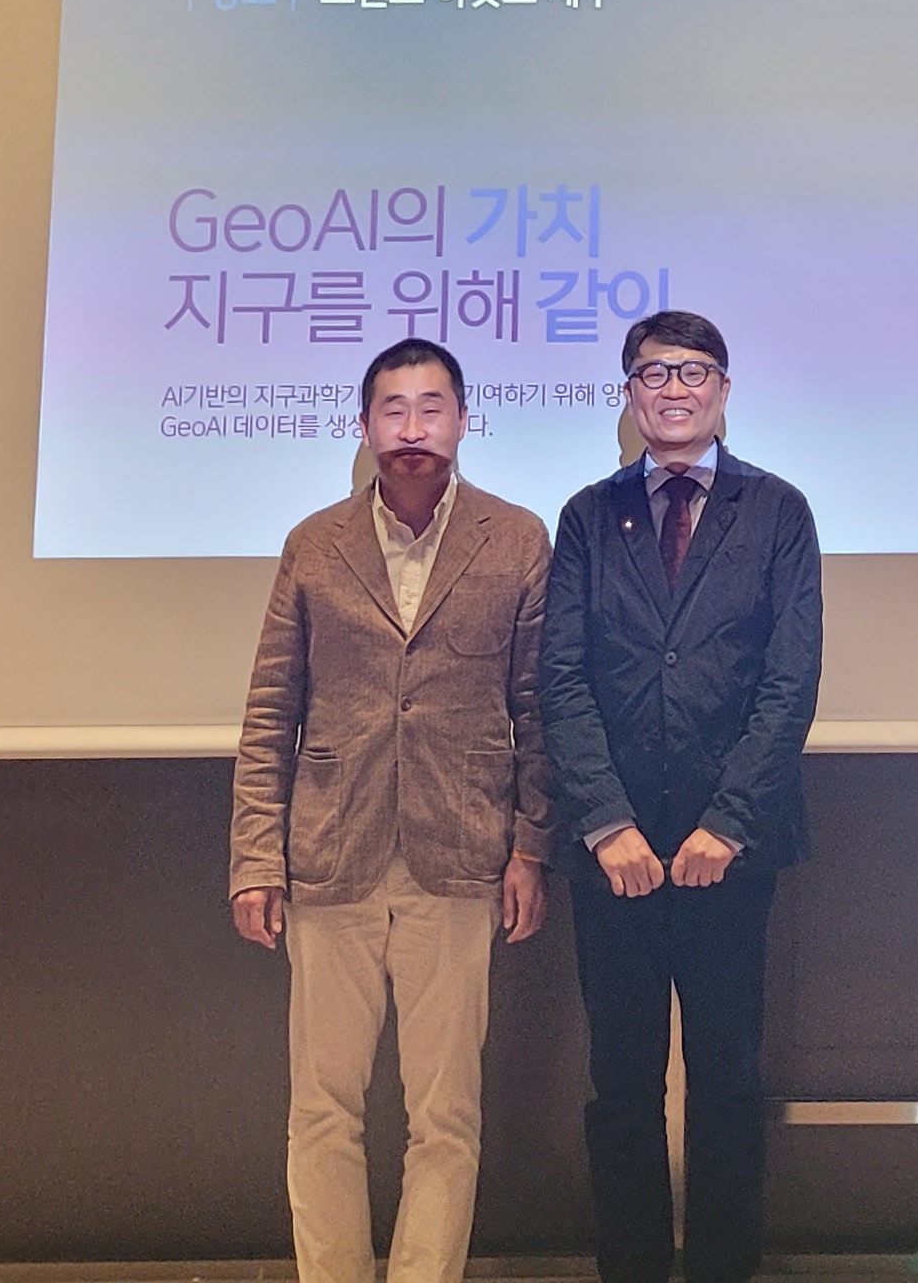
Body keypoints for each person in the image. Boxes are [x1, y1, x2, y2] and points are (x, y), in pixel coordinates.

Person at [232, 338, 555, 1283]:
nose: (413, 427)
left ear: (463, 419)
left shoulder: (516, 538)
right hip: (330, 853)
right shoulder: (314, 543)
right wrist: (255, 858)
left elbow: (539, 710)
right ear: (365, 424)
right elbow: (270, 710)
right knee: (322, 1110)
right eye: (393, 409)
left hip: (462, 854)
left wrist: (531, 848)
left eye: (431, 407)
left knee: (445, 1116)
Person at [538, 310, 824, 1283]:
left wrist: (727, 824)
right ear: (629, 393)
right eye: (654, 372)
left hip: (730, 851)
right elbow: (561, 680)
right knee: (619, 1082)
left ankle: (722, 1269)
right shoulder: (588, 516)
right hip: (613, 852)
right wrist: (606, 822)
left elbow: (790, 680)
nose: (674, 389)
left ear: (724, 391)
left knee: (729, 1082)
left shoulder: (777, 510)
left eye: (694, 371)